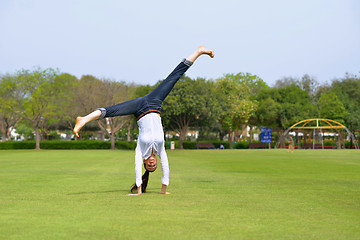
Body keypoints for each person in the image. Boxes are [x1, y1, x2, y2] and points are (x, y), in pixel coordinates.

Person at [73, 45, 214, 195]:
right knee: (174, 77)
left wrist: (139, 190)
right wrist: (164, 190)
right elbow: (165, 167)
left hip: (139, 109)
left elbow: (136, 166)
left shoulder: (140, 150)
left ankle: (83, 120)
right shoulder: (161, 150)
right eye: (154, 166)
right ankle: (198, 52)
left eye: (149, 166)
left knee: (111, 111)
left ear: (145, 163)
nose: (152, 164)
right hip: (154, 103)